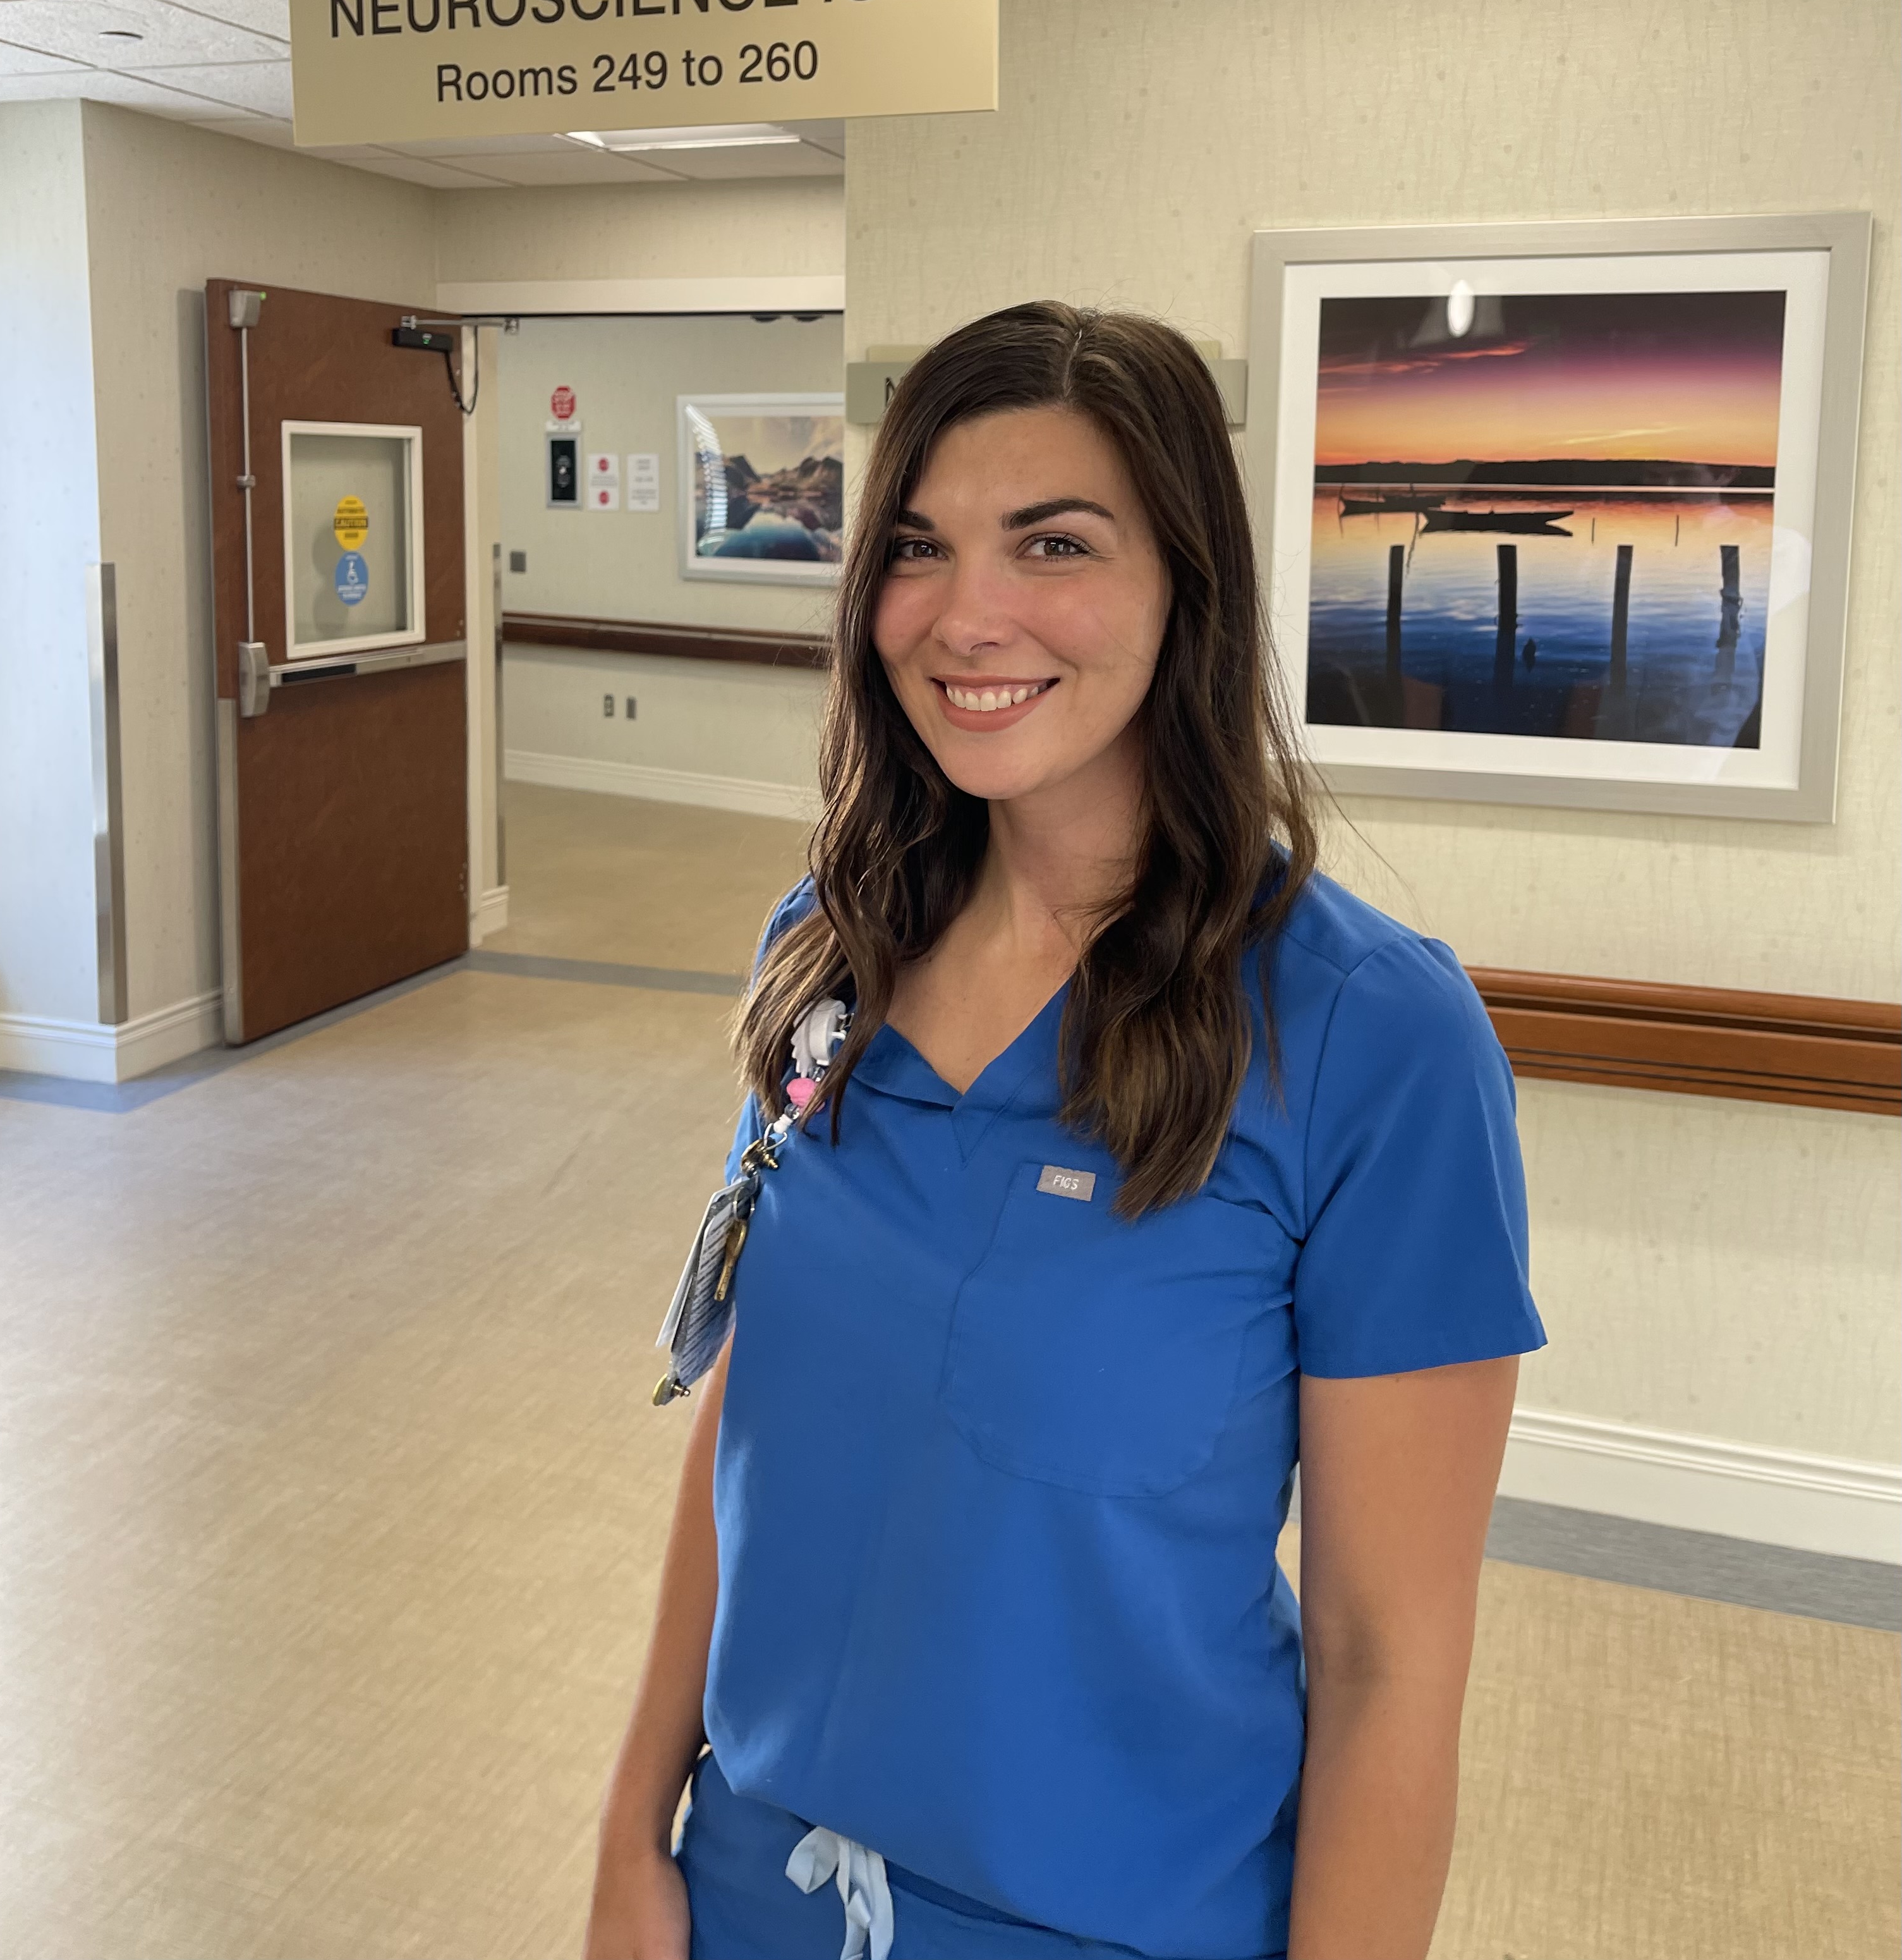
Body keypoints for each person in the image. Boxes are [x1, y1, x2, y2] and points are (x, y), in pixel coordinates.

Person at [583, 303, 1545, 1960]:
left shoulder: (1367, 1040)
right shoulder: (832, 943)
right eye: (917, 547)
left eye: (1054, 542)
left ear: (1187, 584)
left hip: (1117, 1923)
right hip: (755, 1890)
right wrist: (632, 1836)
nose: (968, 613)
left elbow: (1390, 1657)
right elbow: (751, 1413)